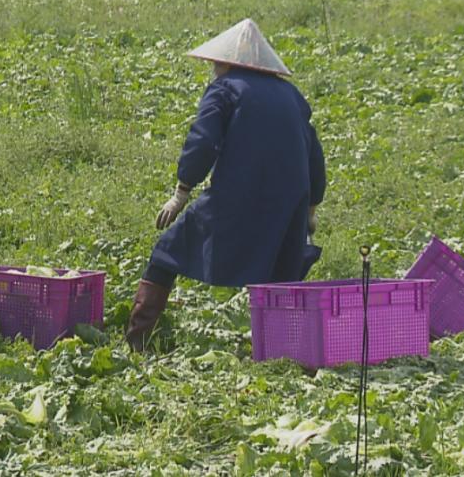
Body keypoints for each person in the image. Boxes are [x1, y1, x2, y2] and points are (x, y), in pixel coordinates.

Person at [126, 19, 326, 352]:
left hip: (237, 194)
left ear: (227, 62)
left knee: (166, 253)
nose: (213, 69)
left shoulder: (225, 89)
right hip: (290, 201)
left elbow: (203, 142)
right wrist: (311, 208)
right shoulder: (292, 95)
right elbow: (314, 154)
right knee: (279, 278)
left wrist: (181, 193)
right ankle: (280, 352)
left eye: (215, 63)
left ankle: (138, 341)